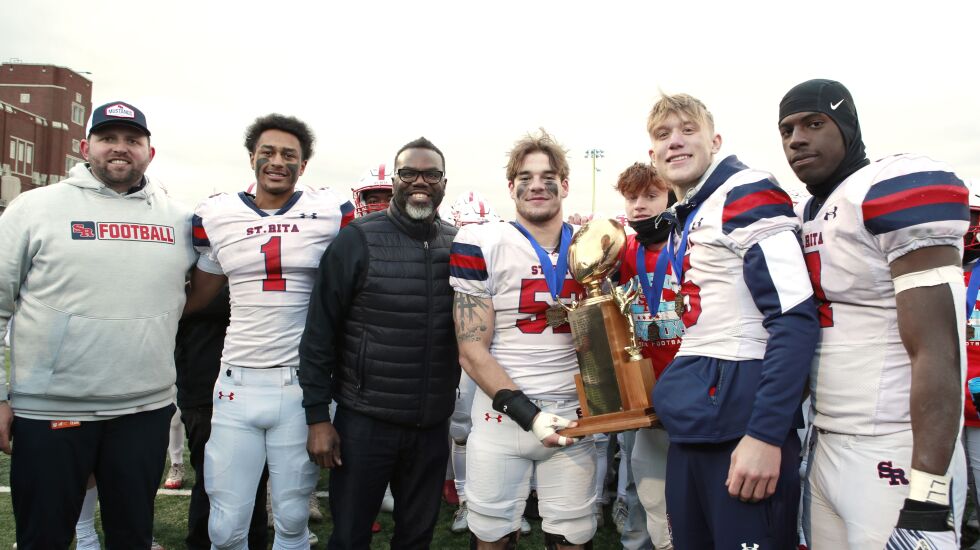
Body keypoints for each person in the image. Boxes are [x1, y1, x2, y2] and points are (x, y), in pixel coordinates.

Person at [777, 78, 969, 548]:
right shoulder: (805, 213)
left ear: (846, 127)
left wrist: (928, 492)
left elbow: (938, 349)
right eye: (787, 130)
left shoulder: (884, 188)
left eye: (814, 123)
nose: (796, 139)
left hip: (896, 444)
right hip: (826, 438)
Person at [0, 101, 197, 548]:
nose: (120, 148)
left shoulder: (179, 219)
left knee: (132, 536)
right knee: (44, 537)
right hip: (52, 409)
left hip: (144, 411)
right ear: (85, 147)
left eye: (132, 140)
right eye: (108, 138)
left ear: (150, 152)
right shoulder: (35, 208)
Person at [645, 93, 819, 549]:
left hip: (741, 422)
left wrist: (765, 433)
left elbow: (794, 317)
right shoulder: (691, 210)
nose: (675, 141)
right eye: (663, 134)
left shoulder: (743, 191)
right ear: (653, 153)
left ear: (715, 141)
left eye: (688, 130)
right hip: (701, 419)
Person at [186, 113, 354, 549]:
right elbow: (197, 297)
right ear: (252, 158)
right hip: (234, 384)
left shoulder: (330, 211)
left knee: (294, 518)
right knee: (225, 527)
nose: (278, 161)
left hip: (299, 386)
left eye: (289, 155)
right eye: (269, 152)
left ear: (303, 164)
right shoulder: (217, 214)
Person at [299, 136, 459, 550]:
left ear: (444, 183)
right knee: (350, 537)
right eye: (409, 173)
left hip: (431, 426)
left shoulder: (458, 244)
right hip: (366, 422)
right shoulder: (357, 240)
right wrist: (318, 417)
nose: (420, 182)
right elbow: (319, 334)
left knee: (416, 538)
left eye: (431, 175)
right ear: (395, 181)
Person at [451, 129, 597, 550]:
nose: (537, 185)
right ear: (510, 186)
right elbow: (470, 350)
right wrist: (528, 414)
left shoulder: (590, 244)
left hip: (573, 416)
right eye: (525, 177)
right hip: (501, 418)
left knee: (574, 536)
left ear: (564, 185)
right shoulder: (482, 241)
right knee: (491, 536)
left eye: (548, 177)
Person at [612, 162, 680, 550]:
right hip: (645, 392)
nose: (639, 205)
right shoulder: (625, 249)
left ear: (670, 196)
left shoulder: (690, 242)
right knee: (646, 485)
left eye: (651, 196)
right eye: (632, 197)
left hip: (692, 389)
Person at [176, 285, 272, 550]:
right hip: (205, 385)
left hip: (255, 380)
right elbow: (191, 300)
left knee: (255, 483)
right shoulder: (194, 263)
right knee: (213, 483)